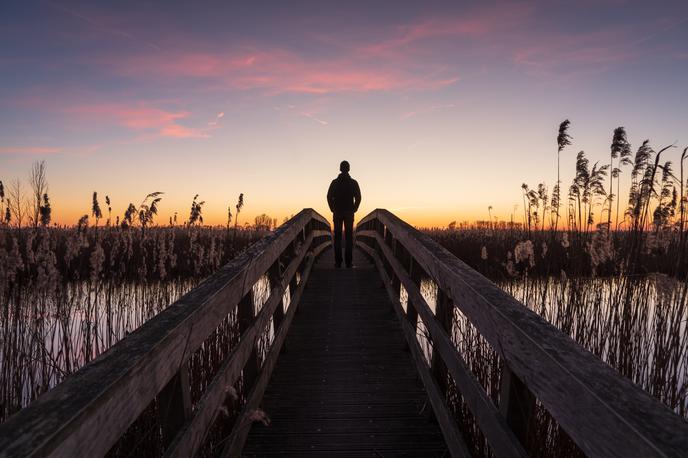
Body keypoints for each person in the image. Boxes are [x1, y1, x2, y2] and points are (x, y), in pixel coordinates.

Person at [327, 160, 361, 268]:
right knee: (349, 237)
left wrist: (332, 208)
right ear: (349, 169)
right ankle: (348, 263)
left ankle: (338, 262)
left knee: (337, 237)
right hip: (349, 212)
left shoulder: (334, 182)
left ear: (340, 169)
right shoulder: (353, 182)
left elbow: (328, 196)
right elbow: (358, 197)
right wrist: (354, 208)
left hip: (337, 212)